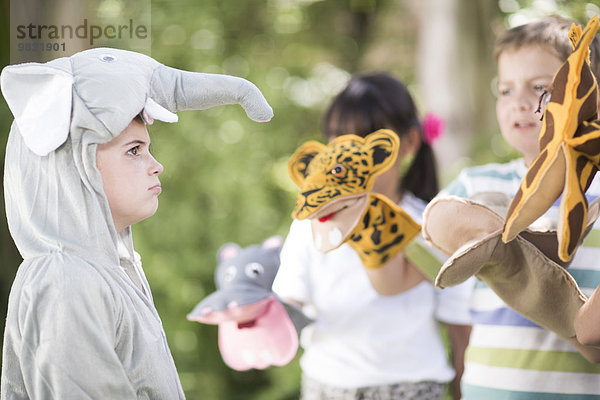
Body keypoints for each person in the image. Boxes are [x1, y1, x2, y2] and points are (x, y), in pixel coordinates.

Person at [0, 47, 273, 399]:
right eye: (134, 150)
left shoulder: (105, 269)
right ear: (73, 166)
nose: (156, 165)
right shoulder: (66, 280)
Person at [273, 72, 472, 400]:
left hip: (413, 388)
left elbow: (460, 326)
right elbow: (287, 306)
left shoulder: (432, 224)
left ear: (408, 142)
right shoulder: (310, 223)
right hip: (326, 385)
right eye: (338, 138)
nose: (349, 152)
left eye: (365, 138)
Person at [436, 15, 600, 398]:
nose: (520, 104)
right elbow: (436, 233)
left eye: (541, 88)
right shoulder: (477, 185)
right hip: (491, 390)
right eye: (506, 90)